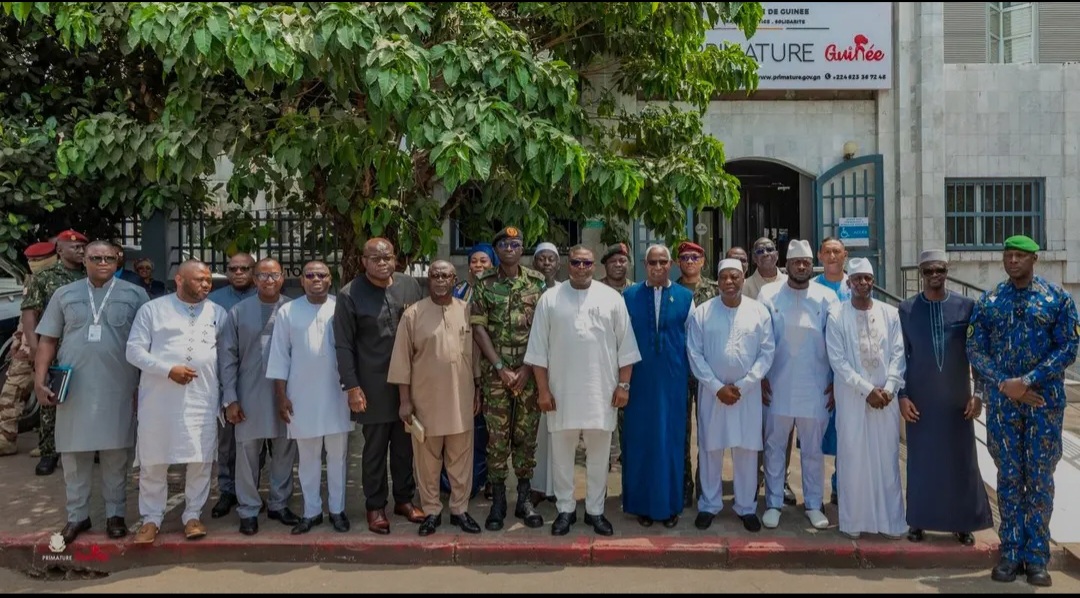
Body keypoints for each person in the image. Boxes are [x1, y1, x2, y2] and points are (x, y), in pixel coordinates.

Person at [967, 235, 1079, 587]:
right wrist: (1004, 383)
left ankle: (1037, 558)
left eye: (1020, 256)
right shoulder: (990, 300)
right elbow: (975, 347)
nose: (1012, 261)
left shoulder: (1057, 299)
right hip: (1003, 406)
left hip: (1043, 404)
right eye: (1008, 255)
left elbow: (1068, 346)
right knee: (1009, 477)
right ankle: (1011, 552)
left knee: (1040, 478)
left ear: (1035, 259)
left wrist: (1028, 380)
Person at [34, 240, 148, 544]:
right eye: (95, 257)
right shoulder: (64, 294)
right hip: (73, 389)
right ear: (84, 259)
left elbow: (149, 344)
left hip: (119, 387)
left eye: (109, 258)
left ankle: (115, 515)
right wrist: (39, 379)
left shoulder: (136, 295)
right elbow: (47, 340)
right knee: (74, 454)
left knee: (115, 454)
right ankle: (77, 516)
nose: (102, 263)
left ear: (118, 260)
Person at [525, 246, 640, 536]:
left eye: (586, 262)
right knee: (562, 457)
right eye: (575, 262)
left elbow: (626, 347)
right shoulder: (550, 299)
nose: (580, 267)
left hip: (601, 394)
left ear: (592, 266)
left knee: (599, 457)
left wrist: (623, 386)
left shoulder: (612, 298)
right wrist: (542, 391)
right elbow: (538, 350)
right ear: (568, 265)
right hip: (559, 395)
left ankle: (595, 511)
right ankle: (565, 510)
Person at [126, 259, 228, 544]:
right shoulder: (153, 310)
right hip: (159, 400)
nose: (206, 285)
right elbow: (133, 351)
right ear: (179, 280)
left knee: (200, 459)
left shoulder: (218, 313)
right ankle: (151, 519)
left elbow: (226, 358)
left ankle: (193, 514)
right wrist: (167, 370)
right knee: (154, 460)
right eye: (199, 279)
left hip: (202, 399)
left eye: (208, 280)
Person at [898, 249, 993, 546]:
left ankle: (962, 523)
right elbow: (899, 357)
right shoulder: (906, 309)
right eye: (929, 271)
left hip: (956, 400)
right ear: (920, 273)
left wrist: (978, 394)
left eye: (940, 270)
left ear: (947, 270)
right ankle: (918, 521)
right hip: (920, 399)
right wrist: (902, 395)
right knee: (922, 462)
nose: (935, 276)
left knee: (960, 461)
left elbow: (978, 356)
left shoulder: (967, 307)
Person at [334, 238, 425, 534]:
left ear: (395, 259)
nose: (382, 262)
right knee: (373, 450)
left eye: (387, 257)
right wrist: (352, 387)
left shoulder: (410, 286)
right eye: (375, 258)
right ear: (363, 261)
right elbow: (344, 345)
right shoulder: (350, 295)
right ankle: (375, 506)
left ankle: (404, 500)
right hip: (371, 386)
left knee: (404, 447)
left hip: (409, 384)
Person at [388, 261, 482, 536]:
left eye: (445, 276)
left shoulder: (467, 311)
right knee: (427, 462)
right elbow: (401, 361)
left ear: (455, 279)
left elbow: (475, 357)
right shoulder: (413, 314)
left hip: (461, 399)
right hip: (425, 401)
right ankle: (431, 510)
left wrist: (478, 391)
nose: (440, 280)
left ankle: (459, 509)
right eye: (435, 275)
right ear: (428, 279)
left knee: (461, 458)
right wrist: (405, 401)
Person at [688, 258, 775, 532]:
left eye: (734, 277)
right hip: (712, 394)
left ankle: (746, 507)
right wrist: (716, 387)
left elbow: (767, 352)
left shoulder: (759, 312)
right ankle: (709, 505)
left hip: (746, 396)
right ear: (718, 280)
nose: (729, 282)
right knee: (711, 448)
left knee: (747, 450)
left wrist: (746, 384)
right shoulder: (702, 312)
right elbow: (694, 353)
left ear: (742, 277)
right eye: (724, 277)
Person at [268, 261, 355, 535]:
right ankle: (311, 511)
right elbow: (280, 356)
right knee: (307, 458)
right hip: (301, 396)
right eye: (310, 275)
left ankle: (338, 511)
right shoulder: (287, 311)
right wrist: (281, 397)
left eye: (322, 275)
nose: (316, 279)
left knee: (338, 456)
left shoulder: (341, 307)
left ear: (331, 279)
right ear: (301, 280)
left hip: (337, 395)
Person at [824, 258, 906, 540]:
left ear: (873, 282)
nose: (862, 283)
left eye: (867, 279)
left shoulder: (890, 314)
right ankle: (854, 521)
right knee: (852, 456)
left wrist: (890, 387)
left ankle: (890, 521)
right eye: (857, 279)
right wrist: (866, 389)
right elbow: (838, 361)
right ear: (849, 283)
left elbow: (898, 354)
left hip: (886, 398)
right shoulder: (837, 315)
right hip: (852, 398)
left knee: (887, 458)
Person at [470, 226, 547, 531]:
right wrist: (501, 366)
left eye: (515, 243)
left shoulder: (537, 282)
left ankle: (524, 499)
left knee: (526, 438)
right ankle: (499, 501)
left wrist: (527, 368)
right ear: (496, 250)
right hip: (496, 373)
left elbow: (543, 330)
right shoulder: (484, 284)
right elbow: (478, 328)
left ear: (522, 247)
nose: (510, 247)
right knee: (498, 440)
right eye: (503, 244)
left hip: (529, 371)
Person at [757, 240, 836, 530]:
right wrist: (761, 376)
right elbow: (760, 338)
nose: (801, 266)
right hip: (776, 385)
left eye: (805, 262)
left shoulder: (827, 297)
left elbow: (836, 343)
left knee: (813, 450)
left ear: (810, 264)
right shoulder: (768, 294)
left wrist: (836, 383)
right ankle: (774, 502)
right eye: (795, 262)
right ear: (786, 265)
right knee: (774, 446)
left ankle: (814, 504)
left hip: (816, 387)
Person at [219, 258, 300, 536]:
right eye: (262, 275)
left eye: (273, 275)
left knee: (284, 452)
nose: (268, 280)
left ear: (282, 277)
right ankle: (249, 509)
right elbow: (227, 357)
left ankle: (279, 503)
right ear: (255, 280)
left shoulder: (293, 309)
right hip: (248, 393)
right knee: (247, 454)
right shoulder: (239, 312)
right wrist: (230, 398)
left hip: (286, 394)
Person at [622, 244, 694, 527]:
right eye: (653, 262)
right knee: (641, 440)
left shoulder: (686, 298)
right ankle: (641, 505)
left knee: (670, 440)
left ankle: (671, 505)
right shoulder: (628, 297)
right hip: (638, 381)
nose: (658, 266)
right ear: (644, 263)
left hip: (673, 381)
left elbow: (694, 341)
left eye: (663, 261)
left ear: (672, 264)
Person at [20, 229, 87, 475]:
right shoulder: (45, 277)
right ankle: (49, 452)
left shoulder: (90, 275)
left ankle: (90, 447)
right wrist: (35, 348)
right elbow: (30, 313)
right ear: (59, 250)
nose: (80, 251)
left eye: (82, 247)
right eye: (75, 247)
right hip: (53, 348)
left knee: (85, 396)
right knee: (50, 400)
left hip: (83, 348)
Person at [207, 252, 258, 519]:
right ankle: (228, 490)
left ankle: (254, 490)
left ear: (254, 271)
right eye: (233, 268)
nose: (239, 273)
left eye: (244, 268)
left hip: (261, 381)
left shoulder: (265, 296)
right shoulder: (214, 301)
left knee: (259, 441)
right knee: (227, 440)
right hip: (226, 379)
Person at [0, 241, 57, 456]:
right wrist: (17, 342)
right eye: (31, 260)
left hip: (49, 348)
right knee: (11, 391)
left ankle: (47, 443)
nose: (33, 264)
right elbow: (25, 319)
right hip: (25, 350)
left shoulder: (58, 282)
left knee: (49, 395)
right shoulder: (30, 281)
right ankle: (6, 437)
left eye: (38, 260)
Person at [674, 240, 717, 506]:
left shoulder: (714, 290)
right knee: (680, 431)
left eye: (694, 257)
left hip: (707, 371)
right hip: (678, 368)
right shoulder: (671, 289)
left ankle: (705, 485)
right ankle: (682, 485)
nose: (689, 262)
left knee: (707, 430)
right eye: (685, 258)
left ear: (703, 261)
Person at [813, 237, 850, 506]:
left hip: (849, 373)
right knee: (815, 433)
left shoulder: (855, 285)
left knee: (847, 432)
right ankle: (812, 492)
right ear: (820, 256)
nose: (833, 256)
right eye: (828, 251)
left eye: (837, 251)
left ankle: (842, 486)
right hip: (818, 371)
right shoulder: (812, 288)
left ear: (844, 254)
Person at [529, 242, 561, 506]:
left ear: (558, 264)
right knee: (536, 432)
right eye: (541, 259)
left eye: (551, 259)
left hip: (562, 371)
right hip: (531, 370)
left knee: (559, 433)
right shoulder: (527, 291)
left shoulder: (565, 293)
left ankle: (559, 487)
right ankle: (538, 486)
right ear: (534, 264)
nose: (546, 263)